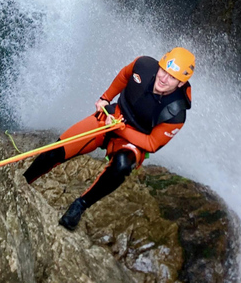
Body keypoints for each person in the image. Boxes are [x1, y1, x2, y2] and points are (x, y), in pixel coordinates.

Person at [23, 47, 195, 230]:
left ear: (180, 84)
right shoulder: (143, 65)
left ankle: (80, 205)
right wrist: (105, 98)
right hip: (112, 116)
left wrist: (120, 130)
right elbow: (123, 76)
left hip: (134, 139)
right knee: (58, 149)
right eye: (163, 71)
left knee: (121, 166)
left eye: (172, 77)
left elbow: (151, 144)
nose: (163, 78)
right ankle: (24, 180)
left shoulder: (175, 114)